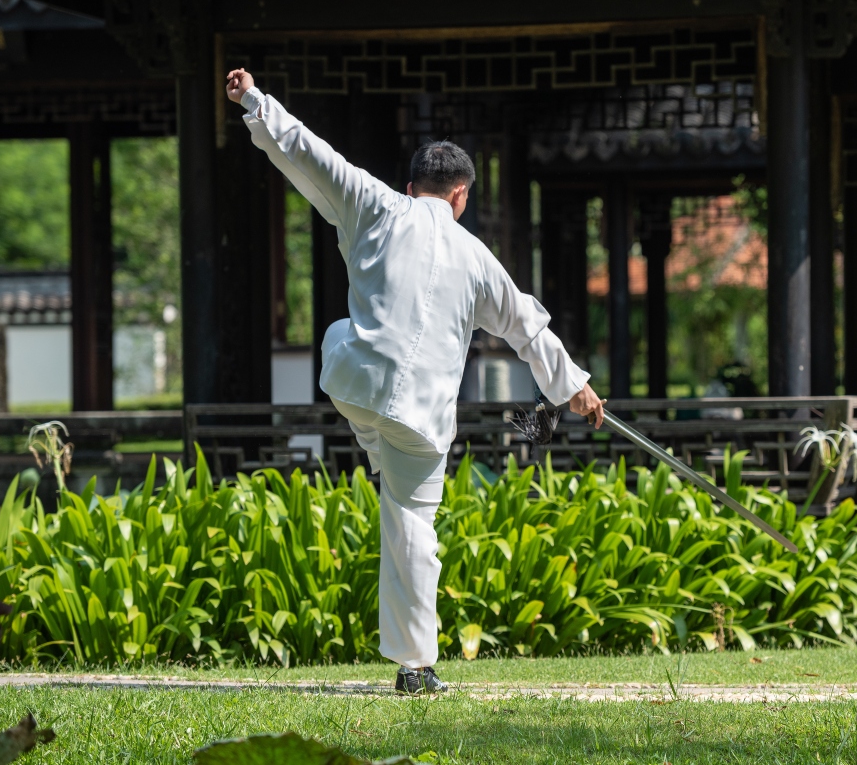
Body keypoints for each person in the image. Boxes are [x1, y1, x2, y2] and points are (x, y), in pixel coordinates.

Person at [225, 69, 605, 695]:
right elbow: (526, 326)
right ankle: (416, 666)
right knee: (410, 528)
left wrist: (255, 102)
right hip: (424, 418)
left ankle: (374, 443)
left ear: (412, 187)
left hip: (354, 380)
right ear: (462, 196)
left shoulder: (375, 203)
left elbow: (308, 153)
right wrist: (574, 390)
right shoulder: (477, 256)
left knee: (335, 335)